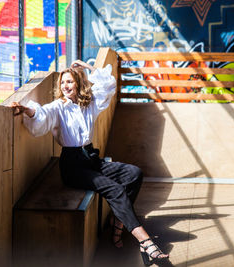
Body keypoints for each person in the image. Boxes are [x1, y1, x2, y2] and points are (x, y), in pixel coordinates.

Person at [11, 60, 169, 265]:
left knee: (134, 173)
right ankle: (145, 242)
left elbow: (107, 86)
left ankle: (118, 221)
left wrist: (88, 67)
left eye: (69, 81)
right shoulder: (59, 107)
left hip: (91, 159)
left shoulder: (89, 103)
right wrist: (25, 109)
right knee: (115, 190)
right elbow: (42, 115)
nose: (65, 86)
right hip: (72, 165)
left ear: (78, 83)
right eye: (62, 83)